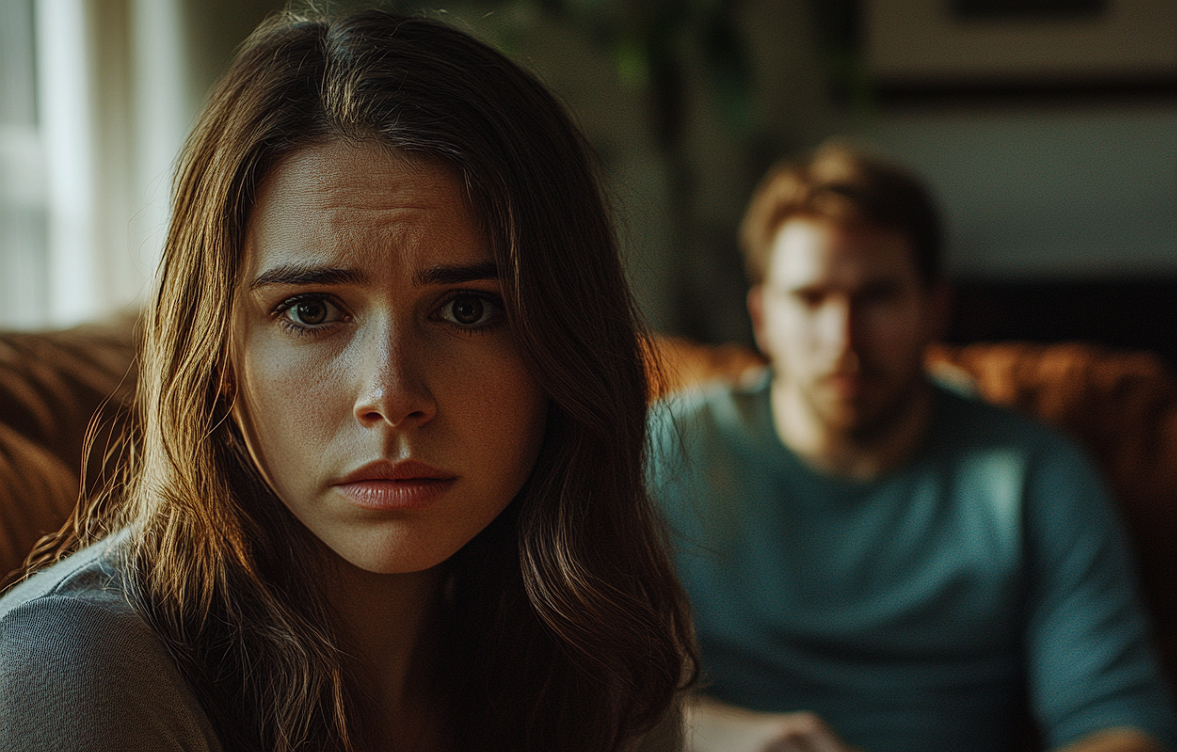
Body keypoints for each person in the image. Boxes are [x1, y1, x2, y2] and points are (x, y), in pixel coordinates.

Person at [0, 9, 695, 752]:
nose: (391, 395)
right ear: (217, 357)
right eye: (311, 309)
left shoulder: (598, 647)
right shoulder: (71, 677)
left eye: (468, 309)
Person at [647, 142, 1176, 752]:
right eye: (810, 298)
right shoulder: (665, 453)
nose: (842, 338)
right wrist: (722, 736)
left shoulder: (1035, 477)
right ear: (763, 316)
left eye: (877, 297)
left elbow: (1118, 720)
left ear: (934, 308)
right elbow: (566, 689)